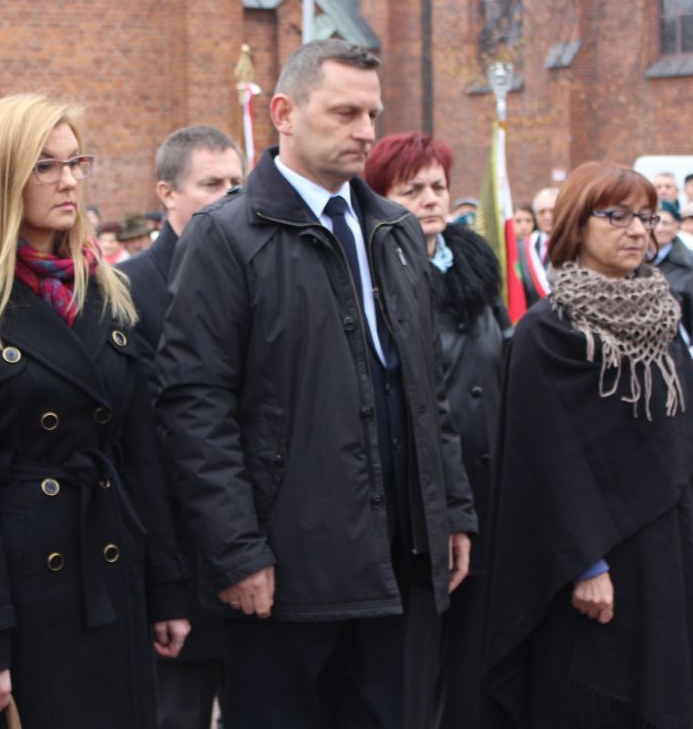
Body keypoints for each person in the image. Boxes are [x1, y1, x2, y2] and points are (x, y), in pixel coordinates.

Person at [155, 40, 476, 729]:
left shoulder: (394, 230)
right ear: (285, 113)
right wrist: (238, 551)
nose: (366, 130)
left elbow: (427, 390)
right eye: (345, 113)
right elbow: (194, 407)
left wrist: (449, 510)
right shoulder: (225, 236)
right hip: (285, 572)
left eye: (373, 114)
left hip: (396, 559)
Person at [0, 94, 188, 728]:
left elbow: (139, 450)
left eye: (76, 162)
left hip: (107, 566)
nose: (70, 181)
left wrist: (166, 585)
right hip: (19, 583)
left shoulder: (105, 289)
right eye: (46, 166)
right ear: (1, 176)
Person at [482, 161, 693, 728]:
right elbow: (544, 460)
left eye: (647, 217)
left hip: (677, 536)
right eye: (617, 216)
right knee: (605, 691)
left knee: (680, 680)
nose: (637, 230)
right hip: (603, 554)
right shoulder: (548, 332)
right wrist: (584, 563)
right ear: (577, 222)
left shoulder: (661, 318)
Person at [364, 131, 508, 729]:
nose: (430, 199)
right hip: (420, 496)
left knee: (478, 651)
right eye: (412, 189)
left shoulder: (476, 271)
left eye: (438, 186)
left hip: (490, 483)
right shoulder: (372, 276)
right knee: (417, 662)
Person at [118, 125, 244, 729]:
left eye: (238, 184)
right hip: (179, 555)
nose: (230, 197)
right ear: (167, 193)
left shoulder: (259, 272)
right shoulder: (129, 290)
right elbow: (144, 440)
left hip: (258, 555)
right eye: (211, 184)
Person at [654, 201, 693, 374]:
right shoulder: (633, 260)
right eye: (655, 222)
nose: (660, 228)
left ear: (677, 226)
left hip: (679, 352)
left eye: (666, 223)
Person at [518, 186, 557, 307]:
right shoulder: (522, 247)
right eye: (542, 212)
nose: (547, 216)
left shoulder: (575, 244)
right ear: (535, 215)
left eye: (552, 210)